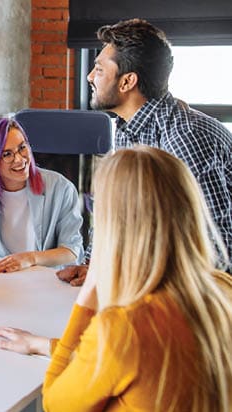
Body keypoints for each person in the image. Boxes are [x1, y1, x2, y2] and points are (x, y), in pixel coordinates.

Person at [0, 147, 232, 411]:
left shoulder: (125, 326)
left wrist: (86, 298)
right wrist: (41, 344)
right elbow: (112, 360)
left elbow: (56, 403)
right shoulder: (222, 288)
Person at [58, 18, 232, 286]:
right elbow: (119, 218)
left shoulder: (184, 137)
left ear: (127, 81)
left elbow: (216, 251)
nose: (90, 77)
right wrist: (95, 267)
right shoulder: (129, 128)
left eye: (99, 69)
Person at [0, 117, 83, 272]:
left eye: (22, 147)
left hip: (51, 284)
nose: (19, 159)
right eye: (7, 154)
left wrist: (30, 258)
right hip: (6, 285)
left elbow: (71, 251)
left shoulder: (61, 188)